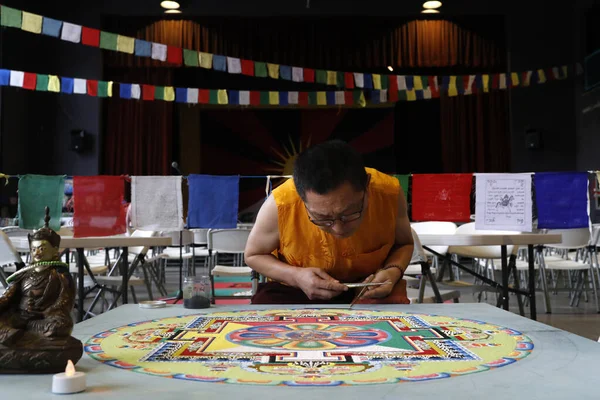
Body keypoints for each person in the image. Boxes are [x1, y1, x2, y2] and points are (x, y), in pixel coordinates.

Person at [245, 140, 414, 304]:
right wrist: (296, 276)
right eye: (323, 219)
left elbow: (404, 244)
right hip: (295, 289)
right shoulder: (282, 203)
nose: (339, 229)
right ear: (301, 196)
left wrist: (392, 271)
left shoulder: (389, 193)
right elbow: (254, 255)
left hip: (369, 287)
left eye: (349, 214)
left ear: (367, 186)